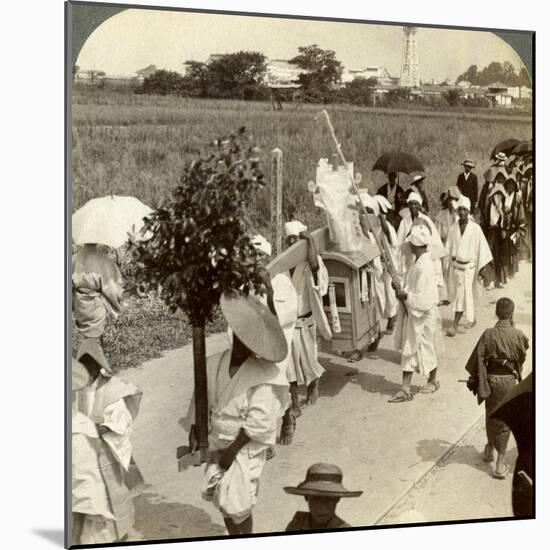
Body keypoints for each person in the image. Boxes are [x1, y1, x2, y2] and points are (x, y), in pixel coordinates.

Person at [187, 291, 290, 535]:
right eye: (241, 338)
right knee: (222, 502)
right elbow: (200, 398)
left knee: (239, 504)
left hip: (244, 447)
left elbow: (260, 422)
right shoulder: (214, 363)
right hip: (217, 439)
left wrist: (232, 451)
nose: (244, 345)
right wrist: (194, 429)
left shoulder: (265, 375)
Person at [73, 340, 144, 545]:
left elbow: (121, 421)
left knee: (115, 498)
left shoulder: (113, 389)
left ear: (99, 364)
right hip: (86, 453)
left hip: (107, 451)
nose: (89, 370)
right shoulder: (78, 389)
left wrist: (97, 428)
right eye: (84, 366)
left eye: (92, 364)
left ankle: (120, 533)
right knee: (89, 502)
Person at [465, 297, 529, 479]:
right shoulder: (518, 334)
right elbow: (522, 355)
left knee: (491, 415)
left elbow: (478, 357)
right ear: (512, 313)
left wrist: (479, 377)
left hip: (491, 381)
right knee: (505, 421)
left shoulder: (488, 333)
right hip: (508, 381)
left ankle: (489, 448)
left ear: (496, 313)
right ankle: (500, 465)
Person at [250, 234, 299, 447]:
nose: (256, 261)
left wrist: (269, 290)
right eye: (253, 256)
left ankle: (287, 416)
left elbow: (284, 318)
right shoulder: (246, 283)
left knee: (275, 387)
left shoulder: (281, 282)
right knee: (255, 390)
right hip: (253, 345)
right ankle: (264, 437)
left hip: (277, 344)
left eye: (260, 256)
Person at [390, 225, 442, 402]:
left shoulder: (425, 266)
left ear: (418, 245)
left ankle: (429, 382)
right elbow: (411, 288)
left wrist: (404, 294)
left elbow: (423, 299)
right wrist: (400, 289)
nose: (410, 247)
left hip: (423, 315)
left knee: (420, 348)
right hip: (416, 313)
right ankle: (409, 387)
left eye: (412, 244)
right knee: (414, 348)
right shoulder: (418, 263)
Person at [285, 220, 332, 409]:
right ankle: (294, 401)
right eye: (288, 240)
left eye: (294, 240)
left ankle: (313, 385)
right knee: (289, 366)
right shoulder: (284, 264)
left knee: (309, 359)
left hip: (306, 319)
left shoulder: (313, 261)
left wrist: (310, 241)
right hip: (289, 322)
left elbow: (316, 272)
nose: (291, 244)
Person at [445, 196, 493, 337]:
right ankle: (471, 318)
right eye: (459, 209)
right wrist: (446, 264)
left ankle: (454, 325)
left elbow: (482, 249)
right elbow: (447, 247)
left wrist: (482, 268)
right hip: (456, 267)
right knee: (463, 295)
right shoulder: (453, 228)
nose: (461, 212)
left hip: (470, 268)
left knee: (463, 295)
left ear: (469, 211)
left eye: (464, 209)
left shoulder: (475, 229)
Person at [396, 193, 447, 301]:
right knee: (411, 288)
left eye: (415, 204)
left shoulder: (426, 220)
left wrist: (437, 262)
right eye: (410, 204)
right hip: (409, 260)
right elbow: (399, 243)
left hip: (423, 258)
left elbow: (434, 242)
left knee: (424, 288)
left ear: (419, 205)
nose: (413, 206)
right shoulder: (404, 222)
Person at [284, 463, 362, 531]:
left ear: (337, 499)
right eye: (316, 498)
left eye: (329, 499)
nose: (322, 507)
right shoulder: (298, 523)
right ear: (306, 497)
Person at [72, 243, 124, 340]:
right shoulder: (104, 260)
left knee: (84, 339)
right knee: (95, 338)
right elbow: (112, 288)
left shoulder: (73, 259)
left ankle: (86, 351)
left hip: (79, 305)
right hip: (96, 306)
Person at [374, 195, 399, 334]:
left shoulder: (386, 226)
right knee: (379, 293)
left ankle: (392, 317)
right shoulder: (372, 227)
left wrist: (380, 218)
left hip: (388, 264)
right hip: (377, 264)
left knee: (389, 293)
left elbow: (388, 234)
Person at [485, 183, 508, 289]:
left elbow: (505, 224)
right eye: (496, 194)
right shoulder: (489, 206)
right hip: (491, 233)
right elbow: (485, 221)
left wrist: (502, 214)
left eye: (500, 194)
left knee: (499, 257)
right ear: (493, 195)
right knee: (490, 255)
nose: (497, 196)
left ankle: (499, 280)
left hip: (499, 234)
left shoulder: (504, 208)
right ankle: (490, 280)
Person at [503, 176, 526, 279]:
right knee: (506, 248)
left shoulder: (517, 198)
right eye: (508, 184)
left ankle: (513, 270)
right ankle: (507, 270)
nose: (510, 186)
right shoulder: (504, 196)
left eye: (512, 184)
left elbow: (521, 212)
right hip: (504, 225)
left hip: (514, 225)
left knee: (513, 248)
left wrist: (519, 227)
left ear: (515, 186)